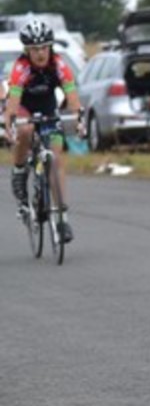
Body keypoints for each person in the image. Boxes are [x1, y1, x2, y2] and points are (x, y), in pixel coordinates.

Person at [4, 19, 83, 243]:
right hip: (24, 107)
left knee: (56, 159)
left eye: (44, 48)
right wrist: (10, 125)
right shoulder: (21, 68)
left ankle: (62, 220)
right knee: (26, 130)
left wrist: (79, 120)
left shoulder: (59, 65)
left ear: (50, 47)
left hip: (48, 108)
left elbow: (73, 97)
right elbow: (13, 104)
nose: (40, 53)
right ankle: (19, 170)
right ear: (27, 51)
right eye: (35, 49)